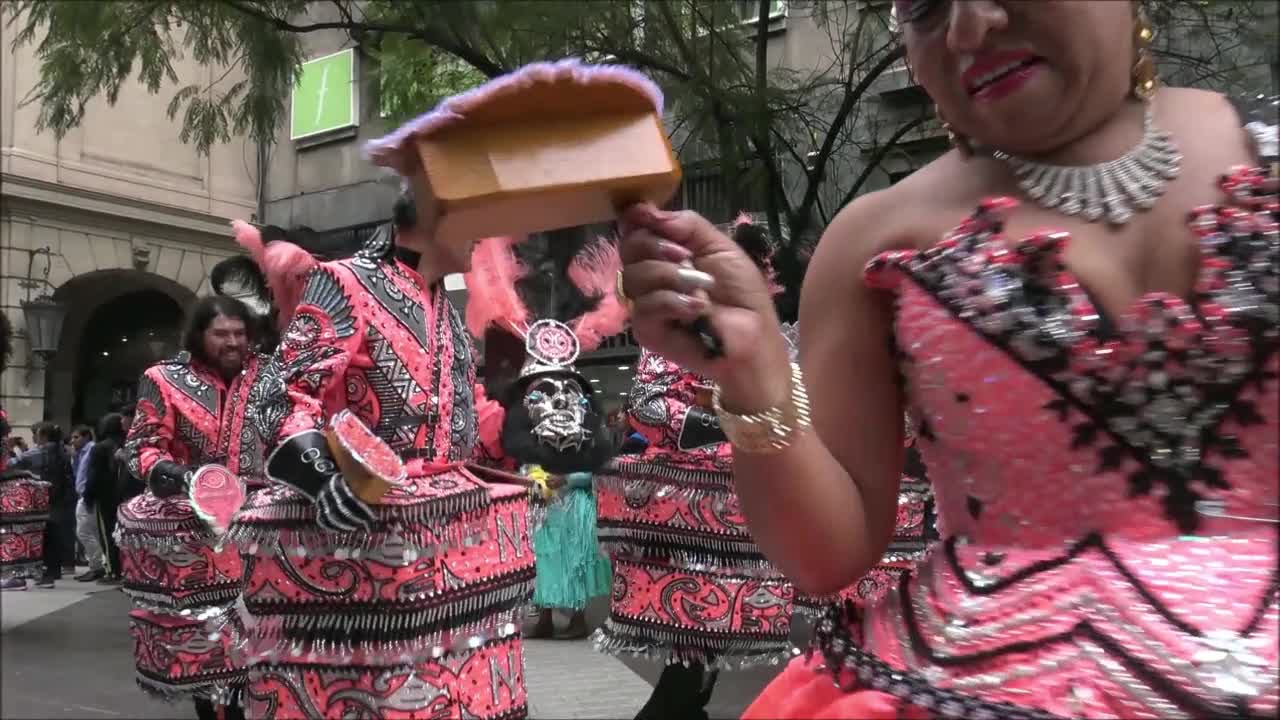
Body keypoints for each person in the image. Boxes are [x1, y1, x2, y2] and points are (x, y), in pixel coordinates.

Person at [615, 2, 1279, 718]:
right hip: (963, 686)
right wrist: (749, 372)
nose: (967, 29)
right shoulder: (876, 238)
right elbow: (826, 556)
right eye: (925, 8)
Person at [227, 195, 535, 719]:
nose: (484, 242)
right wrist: (322, 477)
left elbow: (460, 430)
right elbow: (281, 394)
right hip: (365, 552)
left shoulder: (446, 311)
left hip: (454, 561)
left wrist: (529, 424)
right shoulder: (346, 281)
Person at [594, 217, 797, 720]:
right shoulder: (679, 323)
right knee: (695, 644)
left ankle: (687, 705)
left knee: (711, 651)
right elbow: (647, 404)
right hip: (695, 506)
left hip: (751, 495)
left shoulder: (757, 336)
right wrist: (725, 425)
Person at [463, 229, 625, 641]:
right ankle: (539, 611)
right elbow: (514, 449)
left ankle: (568, 613)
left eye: (563, 389)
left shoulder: (583, 409)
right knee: (538, 556)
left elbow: (598, 456)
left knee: (570, 558)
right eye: (542, 391)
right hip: (537, 499)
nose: (555, 399)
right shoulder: (520, 415)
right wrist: (534, 477)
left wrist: (571, 479)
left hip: (571, 499)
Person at [117, 296, 263, 720]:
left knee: (268, 652)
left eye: (239, 333)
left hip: (266, 531)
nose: (233, 342)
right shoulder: (163, 379)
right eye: (221, 334)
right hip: (200, 539)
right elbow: (141, 447)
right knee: (213, 658)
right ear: (199, 335)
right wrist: (178, 476)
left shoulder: (271, 376)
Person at [14, 422, 75, 588]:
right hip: (60, 498)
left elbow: (15, 462)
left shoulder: (40, 451)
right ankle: (53, 571)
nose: (35, 437)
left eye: (38, 434)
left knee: (42, 536)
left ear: (44, 436)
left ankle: (45, 573)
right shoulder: (64, 451)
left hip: (43, 499)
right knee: (54, 535)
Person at [84, 413, 128, 584]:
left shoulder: (100, 447)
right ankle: (123, 569)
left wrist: (88, 495)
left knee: (107, 533)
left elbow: (93, 475)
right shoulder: (125, 444)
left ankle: (113, 570)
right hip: (124, 495)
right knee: (122, 533)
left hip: (105, 496)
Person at [69, 424, 105, 582]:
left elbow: (91, 475)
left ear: (86, 437)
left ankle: (97, 566)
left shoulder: (91, 450)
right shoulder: (80, 453)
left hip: (88, 495)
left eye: (76, 437)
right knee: (93, 532)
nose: (72, 441)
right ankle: (98, 565)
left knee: (83, 532)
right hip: (84, 494)